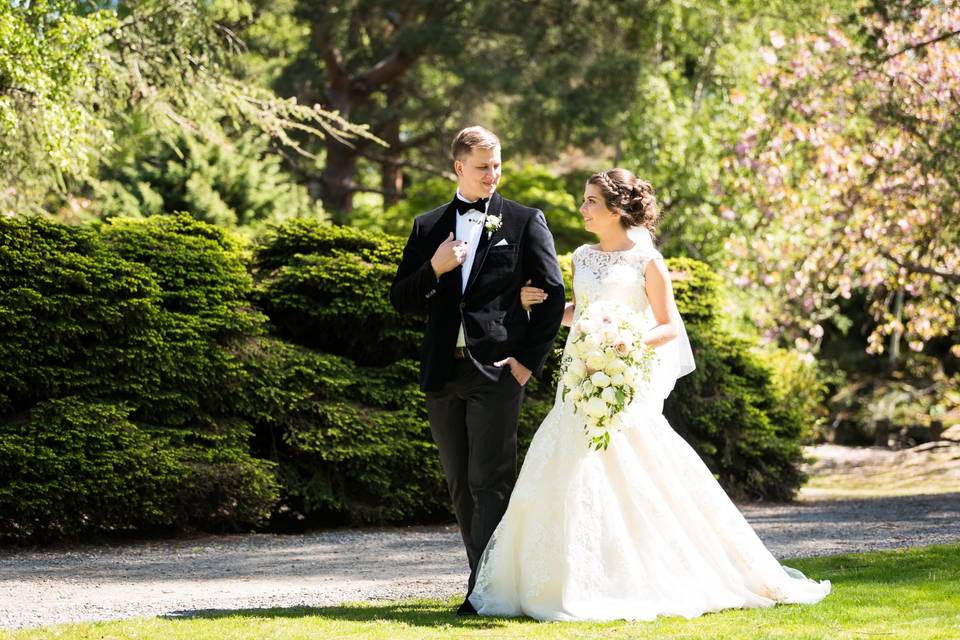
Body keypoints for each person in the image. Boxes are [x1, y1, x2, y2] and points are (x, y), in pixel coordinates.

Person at [468, 168, 831, 621]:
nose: (582, 208)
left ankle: (653, 571)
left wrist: (625, 339)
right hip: (580, 380)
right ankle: (559, 578)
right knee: (566, 468)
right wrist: (535, 310)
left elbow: (667, 325)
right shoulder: (581, 256)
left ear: (617, 210)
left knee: (636, 471)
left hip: (622, 378)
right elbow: (580, 312)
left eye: (590, 202)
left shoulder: (647, 261)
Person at [389, 126, 566, 616]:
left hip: (497, 372)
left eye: (497, 165)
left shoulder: (525, 221)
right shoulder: (428, 227)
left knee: (489, 481)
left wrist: (528, 363)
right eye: (483, 166)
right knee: (459, 482)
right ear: (458, 168)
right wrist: (437, 268)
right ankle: (484, 582)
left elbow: (551, 298)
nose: (493, 174)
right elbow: (400, 297)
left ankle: (483, 592)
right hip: (442, 373)